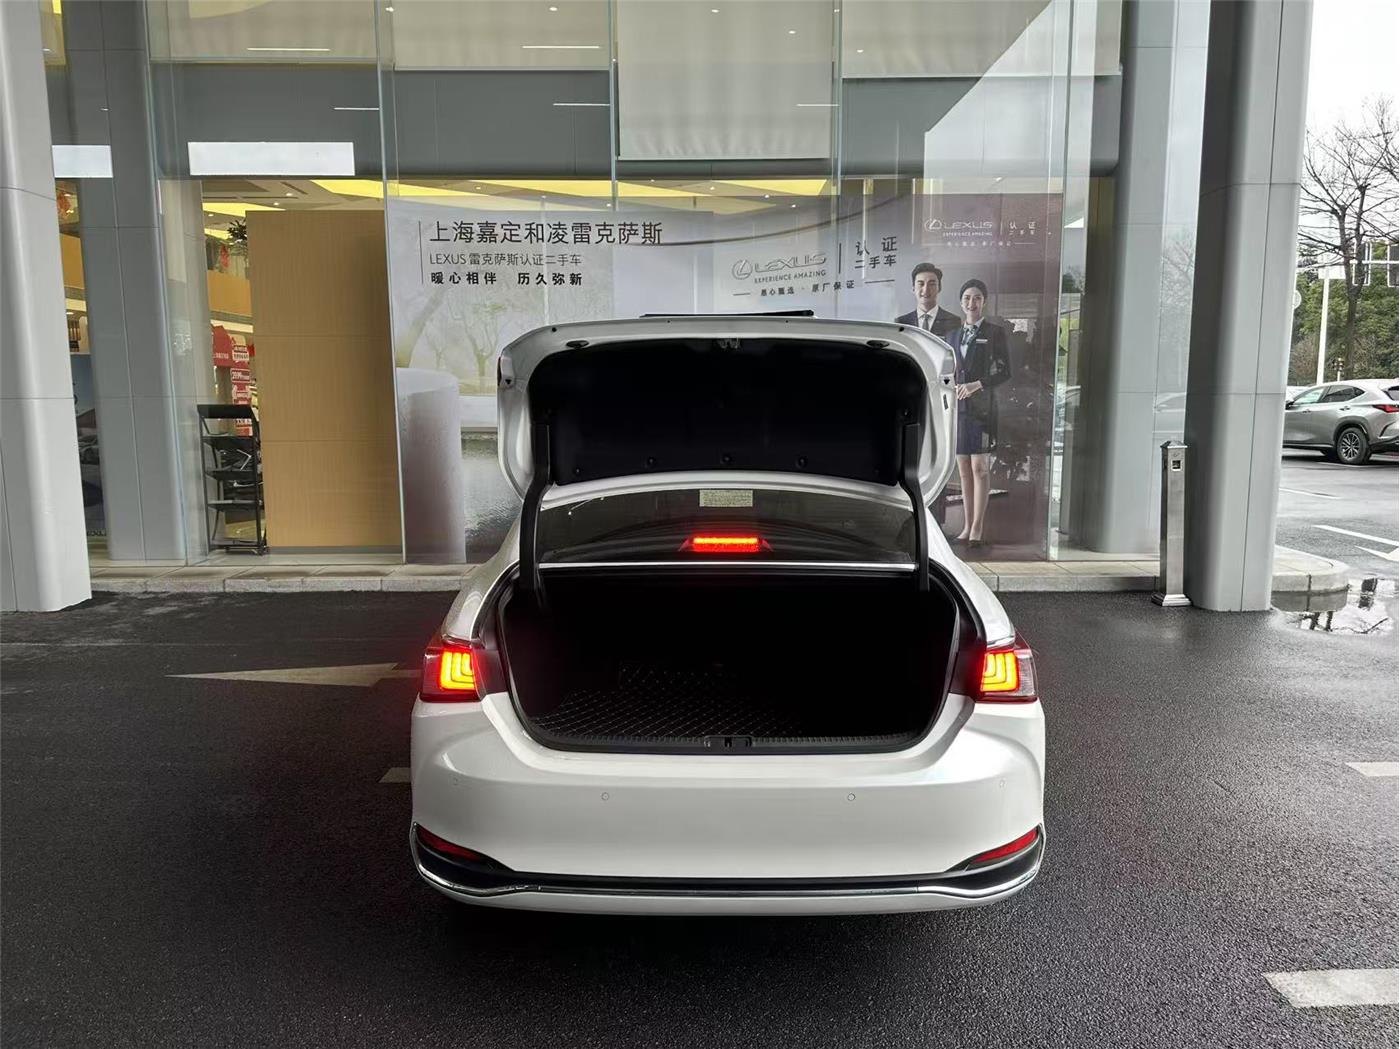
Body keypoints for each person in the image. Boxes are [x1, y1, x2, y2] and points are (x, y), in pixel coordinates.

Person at [949, 278, 1010, 549]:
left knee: (980, 468)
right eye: (967, 298)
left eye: (977, 298)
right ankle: (965, 526)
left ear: (984, 302)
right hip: (958, 409)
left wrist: (978, 384)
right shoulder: (952, 336)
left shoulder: (995, 333)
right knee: (963, 468)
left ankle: (977, 528)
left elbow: (1005, 371)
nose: (971, 303)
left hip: (983, 409)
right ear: (961, 302)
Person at [895, 263, 959, 338]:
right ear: (913, 288)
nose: (926, 290)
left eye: (931, 284)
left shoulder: (953, 321)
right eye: (921, 284)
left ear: (939, 288)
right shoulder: (901, 322)